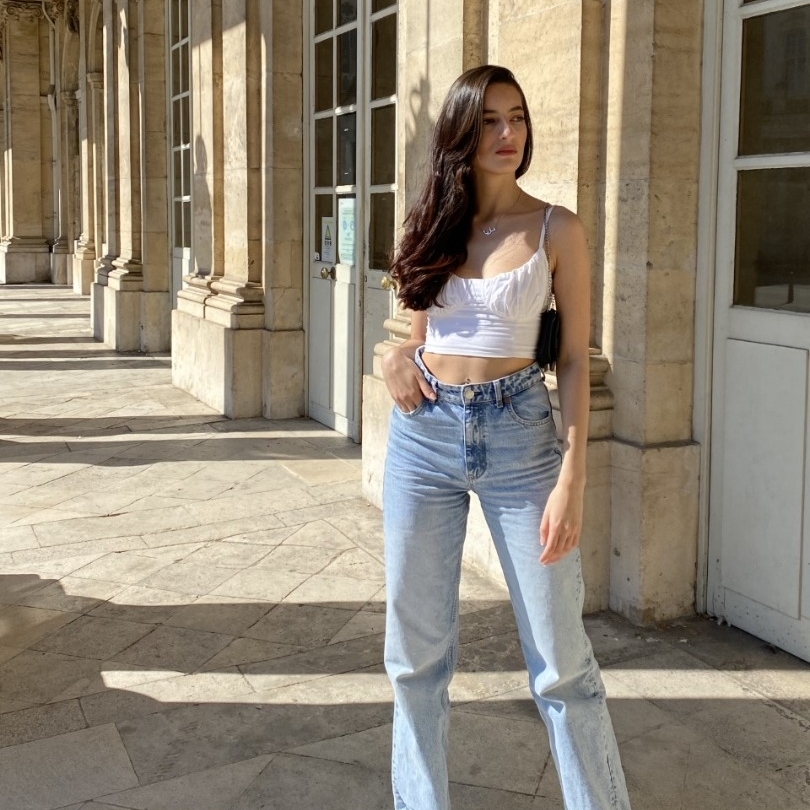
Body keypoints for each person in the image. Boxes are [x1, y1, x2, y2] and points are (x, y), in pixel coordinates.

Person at [380, 65, 631, 810]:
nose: (507, 133)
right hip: (423, 437)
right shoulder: (432, 224)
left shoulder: (557, 228)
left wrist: (572, 477)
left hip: (521, 437)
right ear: (461, 131)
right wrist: (392, 358)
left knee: (561, 662)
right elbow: (415, 338)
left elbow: (575, 359)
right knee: (414, 659)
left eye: (516, 116)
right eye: (489, 120)